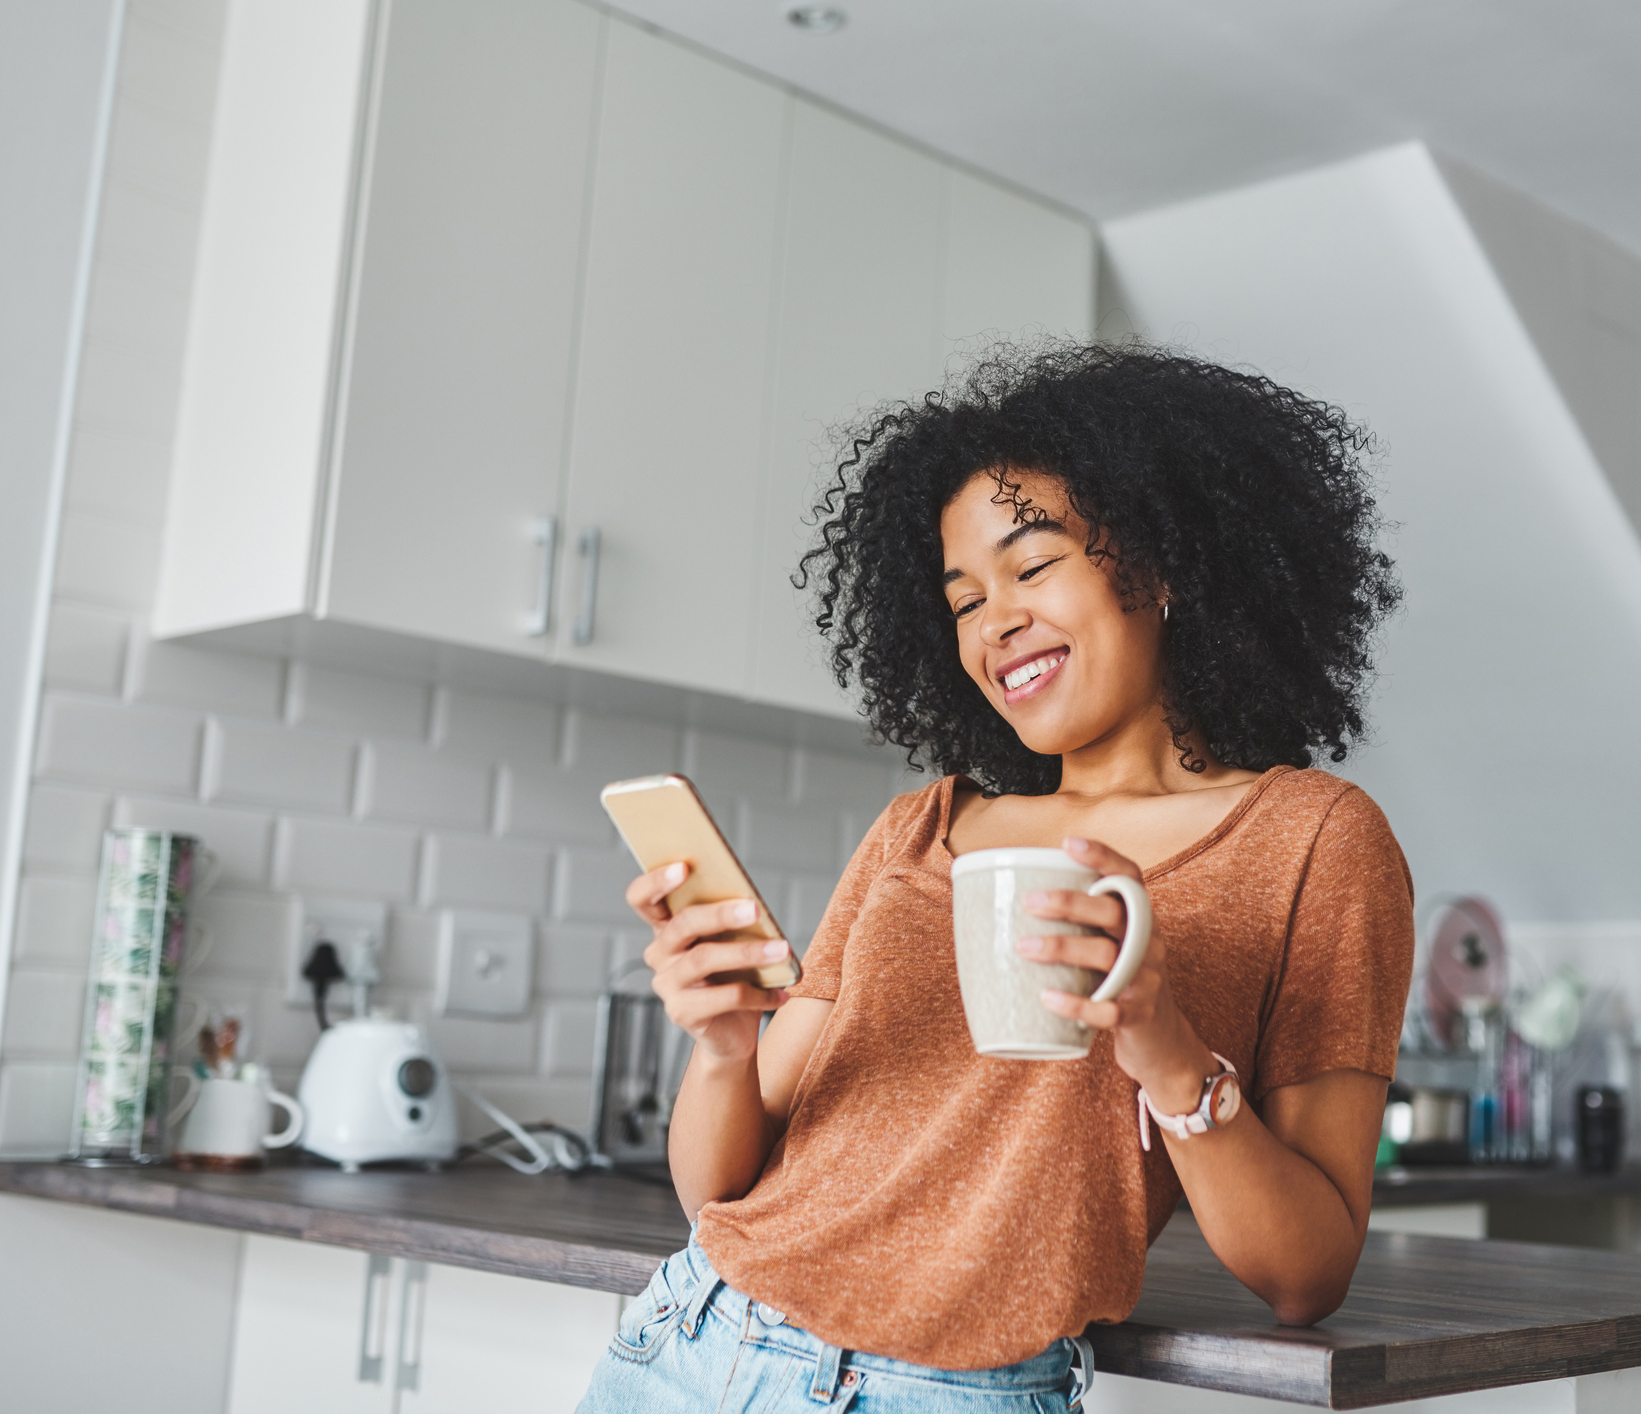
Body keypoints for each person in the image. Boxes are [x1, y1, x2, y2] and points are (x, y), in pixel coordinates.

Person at [578, 343, 1413, 1413]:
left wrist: (1163, 1047)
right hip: (693, 1342)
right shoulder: (920, 827)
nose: (995, 622)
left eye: (1032, 567)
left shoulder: (1313, 842)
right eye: (964, 597)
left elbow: (1309, 1274)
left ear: (1159, 562)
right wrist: (723, 1045)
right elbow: (718, 1192)